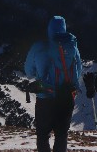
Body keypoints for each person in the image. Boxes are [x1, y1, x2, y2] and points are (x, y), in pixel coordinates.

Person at [25, 15, 83, 152]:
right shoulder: (72, 47)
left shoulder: (39, 47)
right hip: (66, 98)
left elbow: (28, 71)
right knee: (61, 135)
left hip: (45, 98)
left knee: (43, 135)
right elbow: (78, 71)